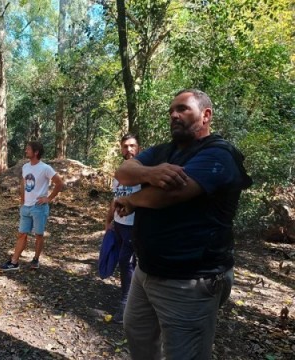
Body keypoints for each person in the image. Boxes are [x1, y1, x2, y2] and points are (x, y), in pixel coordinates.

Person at [114, 89, 252, 359]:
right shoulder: (164, 151)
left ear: (206, 115)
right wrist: (151, 172)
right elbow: (123, 172)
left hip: (190, 279)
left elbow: (170, 194)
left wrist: (132, 199)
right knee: (137, 334)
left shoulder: (219, 154)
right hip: (146, 271)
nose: (174, 115)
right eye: (171, 111)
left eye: (183, 109)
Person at [1, 141, 64, 271]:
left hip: (39, 207)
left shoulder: (45, 168)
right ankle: (14, 262)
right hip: (26, 207)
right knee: (22, 234)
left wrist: (48, 198)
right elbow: (23, 184)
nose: (26, 151)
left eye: (28, 149)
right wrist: (22, 202)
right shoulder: (25, 167)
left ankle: (36, 259)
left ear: (36, 152)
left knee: (38, 235)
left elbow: (59, 183)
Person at [104, 134, 141, 324]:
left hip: (135, 226)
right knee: (127, 263)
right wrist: (109, 221)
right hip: (119, 225)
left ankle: (127, 305)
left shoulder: (145, 173)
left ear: (139, 148)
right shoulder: (119, 174)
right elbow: (115, 199)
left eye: (132, 146)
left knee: (126, 262)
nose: (129, 150)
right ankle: (134, 301)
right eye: (125, 146)